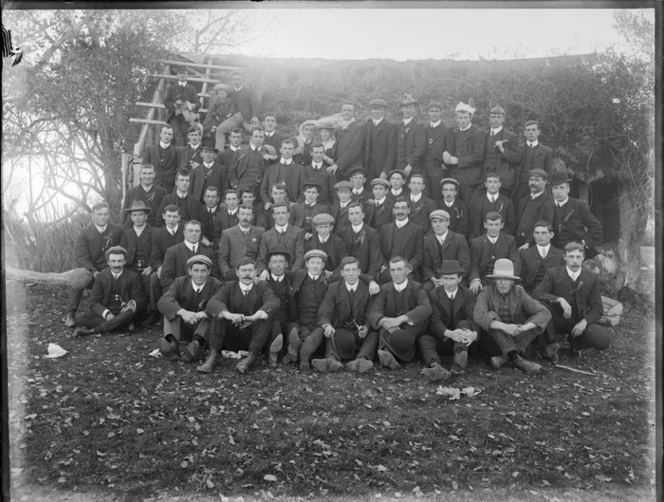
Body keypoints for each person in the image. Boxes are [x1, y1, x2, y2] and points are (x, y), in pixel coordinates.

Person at [199, 257, 279, 374]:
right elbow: (214, 302)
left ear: (256, 272)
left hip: (252, 337)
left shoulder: (262, 286)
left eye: (250, 271)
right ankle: (212, 357)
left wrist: (256, 316)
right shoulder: (229, 286)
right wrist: (228, 315)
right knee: (218, 315)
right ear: (237, 273)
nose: (247, 274)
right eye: (243, 270)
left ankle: (250, 358)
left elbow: (273, 301)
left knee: (265, 318)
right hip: (231, 335)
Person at [533, 242, 611, 360]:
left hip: (577, 322)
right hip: (554, 321)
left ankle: (574, 344)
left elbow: (598, 309)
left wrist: (584, 322)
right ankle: (551, 342)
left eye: (578, 257)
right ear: (564, 257)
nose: (575, 261)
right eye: (571, 257)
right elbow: (537, 294)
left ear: (583, 258)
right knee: (543, 306)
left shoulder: (591, 277)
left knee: (602, 339)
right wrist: (559, 300)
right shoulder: (553, 273)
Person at [473, 259, 551, 374]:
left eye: (507, 279)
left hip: (517, 339)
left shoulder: (519, 292)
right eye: (499, 279)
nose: (503, 283)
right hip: (494, 342)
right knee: (492, 315)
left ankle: (506, 358)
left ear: (512, 281)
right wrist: (503, 327)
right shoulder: (486, 292)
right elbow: (478, 315)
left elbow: (545, 313)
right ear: (494, 280)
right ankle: (516, 359)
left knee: (536, 321)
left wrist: (524, 327)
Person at [312, 256, 378, 374]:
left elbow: (372, 313)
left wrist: (367, 327)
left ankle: (361, 360)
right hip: (340, 332)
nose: (351, 274)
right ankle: (331, 360)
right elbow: (325, 311)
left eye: (354, 270)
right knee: (329, 332)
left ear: (359, 271)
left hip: (360, 334)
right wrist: (327, 325)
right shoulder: (334, 288)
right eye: (347, 270)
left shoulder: (368, 289)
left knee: (373, 335)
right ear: (342, 273)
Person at [63, 201, 123, 327]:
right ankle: (70, 314)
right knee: (78, 279)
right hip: (91, 270)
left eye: (105, 214)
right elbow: (81, 256)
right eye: (99, 214)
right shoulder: (85, 232)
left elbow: (121, 250)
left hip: (111, 269)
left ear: (109, 215)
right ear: (93, 216)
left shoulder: (117, 230)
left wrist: (111, 269)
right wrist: (93, 271)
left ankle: (118, 313)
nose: (102, 217)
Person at [368, 257, 432, 369]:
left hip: (410, 329)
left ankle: (400, 350)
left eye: (399, 269)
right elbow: (374, 311)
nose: (396, 273)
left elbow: (425, 307)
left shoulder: (417, 287)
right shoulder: (384, 289)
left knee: (418, 320)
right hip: (390, 329)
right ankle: (386, 352)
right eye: (392, 270)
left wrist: (399, 320)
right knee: (383, 322)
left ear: (407, 270)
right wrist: (385, 321)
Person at [157, 255, 223, 363]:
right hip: (183, 326)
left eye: (203, 271)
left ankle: (196, 345)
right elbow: (162, 302)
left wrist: (204, 313)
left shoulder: (216, 285)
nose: (199, 275)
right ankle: (172, 344)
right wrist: (182, 312)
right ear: (189, 271)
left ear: (209, 272)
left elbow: (221, 305)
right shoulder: (180, 282)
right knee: (171, 304)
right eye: (196, 270)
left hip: (203, 330)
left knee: (212, 311)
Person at [419, 260, 478, 380]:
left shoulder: (467, 294)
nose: (448, 282)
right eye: (445, 278)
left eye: (452, 278)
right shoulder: (434, 294)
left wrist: (474, 334)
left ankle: (458, 360)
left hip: (462, 340)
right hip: (444, 337)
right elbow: (435, 320)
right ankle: (435, 366)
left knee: (464, 323)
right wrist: (450, 334)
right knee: (424, 339)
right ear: (441, 279)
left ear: (459, 279)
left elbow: (471, 317)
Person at [73, 246, 146, 336]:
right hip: (107, 311)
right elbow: (93, 302)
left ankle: (93, 331)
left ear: (124, 262)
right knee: (80, 318)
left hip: (124, 313)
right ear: (108, 262)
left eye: (119, 261)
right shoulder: (101, 276)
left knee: (130, 315)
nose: (116, 265)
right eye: (113, 261)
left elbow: (140, 300)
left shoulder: (133, 277)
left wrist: (130, 305)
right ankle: (122, 325)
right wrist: (106, 314)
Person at [281, 250, 331, 369]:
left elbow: (353, 275)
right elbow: (280, 272)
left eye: (318, 263)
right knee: (302, 332)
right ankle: (304, 354)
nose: (315, 266)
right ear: (307, 264)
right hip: (302, 321)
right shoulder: (298, 276)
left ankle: (295, 352)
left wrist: (370, 282)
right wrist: (264, 273)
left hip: (318, 322)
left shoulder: (328, 279)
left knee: (317, 333)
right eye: (312, 262)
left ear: (323, 265)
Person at [538, 171, 603, 258]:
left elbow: (596, 226)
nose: (558, 191)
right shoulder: (547, 206)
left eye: (562, 188)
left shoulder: (578, 205)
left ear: (568, 189)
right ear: (552, 190)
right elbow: (540, 227)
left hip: (576, 251)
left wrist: (584, 242)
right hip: (554, 251)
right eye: (555, 188)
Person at [147, 205, 184, 324]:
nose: (171, 220)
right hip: (166, 267)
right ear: (163, 216)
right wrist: (159, 267)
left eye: (174, 217)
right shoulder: (157, 233)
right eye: (169, 216)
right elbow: (154, 257)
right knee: (153, 278)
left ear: (179, 217)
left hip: (183, 266)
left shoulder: (185, 230)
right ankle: (157, 312)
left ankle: (176, 311)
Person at [443, 102, 486, 203]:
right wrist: (446, 153)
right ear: (456, 119)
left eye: (465, 117)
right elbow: (451, 150)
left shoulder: (478, 133)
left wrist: (458, 161)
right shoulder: (456, 132)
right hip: (455, 177)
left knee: (468, 206)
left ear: (470, 118)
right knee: (455, 205)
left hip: (470, 179)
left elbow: (478, 156)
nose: (462, 120)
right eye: (460, 117)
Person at [468, 212, 520, 295]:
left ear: (502, 225)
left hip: (503, 279)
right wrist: (475, 280)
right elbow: (474, 264)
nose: (493, 228)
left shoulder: (510, 241)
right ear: (485, 225)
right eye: (490, 224)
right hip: (483, 280)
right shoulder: (476, 242)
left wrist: (510, 280)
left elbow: (516, 262)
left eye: (496, 224)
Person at [160, 220, 218, 291]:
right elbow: (165, 278)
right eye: (190, 231)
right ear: (184, 233)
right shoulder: (172, 251)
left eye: (197, 231)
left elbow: (214, 276)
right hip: (180, 294)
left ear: (200, 233)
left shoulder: (208, 251)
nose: (194, 233)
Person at [263, 247, 297, 367]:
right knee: (276, 328)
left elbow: (307, 274)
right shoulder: (263, 281)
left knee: (294, 328)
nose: (278, 265)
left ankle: (291, 352)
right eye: (274, 262)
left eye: (281, 262)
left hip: (286, 319)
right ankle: (273, 354)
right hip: (271, 319)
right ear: (269, 265)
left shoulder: (292, 279)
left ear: (286, 264)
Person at [421, 210, 470, 292]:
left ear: (448, 223)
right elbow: (426, 266)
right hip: (435, 279)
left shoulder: (459, 239)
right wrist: (434, 279)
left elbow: (465, 265)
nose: (437, 225)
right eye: (434, 222)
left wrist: (449, 279)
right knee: (423, 291)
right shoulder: (428, 241)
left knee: (461, 292)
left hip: (455, 278)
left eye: (441, 221)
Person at [378, 197, 424, 284]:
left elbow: (419, 255)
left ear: (409, 210)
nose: (400, 211)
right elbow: (380, 251)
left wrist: (408, 268)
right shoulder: (385, 229)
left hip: (407, 271)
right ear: (393, 211)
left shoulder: (417, 230)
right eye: (397, 208)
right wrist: (384, 265)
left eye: (403, 208)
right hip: (389, 269)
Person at [214, 72, 262, 151]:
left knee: (256, 133)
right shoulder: (231, 93)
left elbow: (255, 104)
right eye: (234, 80)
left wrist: (255, 116)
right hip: (236, 118)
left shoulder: (249, 91)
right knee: (220, 129)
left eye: (238, 79)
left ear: (242, 80)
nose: (236, 82)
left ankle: (252, 155)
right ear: (232, 81)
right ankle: (219, 154)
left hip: (248, 118)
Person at [482, 106, 523, 198]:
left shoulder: (511, 136)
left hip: (502, 181)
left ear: (503, 119)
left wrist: (503, 149)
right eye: (493, 117)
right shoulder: (484, 136)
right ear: (489, 119)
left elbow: (518, 157)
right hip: (484, 180)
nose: (495, 120)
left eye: (498, 117)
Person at [256, 203, 306, 276]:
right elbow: (262, 259)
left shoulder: (298, 233)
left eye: (283, 213)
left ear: (288, 214)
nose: (281, 216)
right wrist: (263, 271)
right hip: (272, 275)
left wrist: (292, 273)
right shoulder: (266, 236)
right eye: (278, 213)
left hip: (293, 273)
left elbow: (300, 257)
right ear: (273, 216)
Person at [337, 202, 383, 281]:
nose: (354, 216)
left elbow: (375, 260)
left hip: (366, 275)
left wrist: (368, 279)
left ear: (363, 215)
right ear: (348, 217)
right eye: (351, 214)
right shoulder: (342, 233)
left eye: (357, 213)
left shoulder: (372, 233)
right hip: (347, 277)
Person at [218, 204, 265, 281]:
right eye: (242, 214)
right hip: (234, 275)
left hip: (255, 274)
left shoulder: (260, 232)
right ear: (238, 215)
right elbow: (222, 258)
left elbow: (262, 255)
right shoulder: (227, 234)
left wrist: (259, 272)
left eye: (248, 214)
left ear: (252, 216)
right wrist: (227, 274)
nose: (245, 217)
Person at [120, 201, 153, 307]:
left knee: (150, 281)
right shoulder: (126, 233)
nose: (138, 217)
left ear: (146, 216)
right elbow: (121, 252)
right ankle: (129, 309)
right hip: (131, 268)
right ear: (131, 217)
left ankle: (149, 310)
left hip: (147, 268)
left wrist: (151, 267)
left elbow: (160, 254)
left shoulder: (155, 232)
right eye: (134, 215)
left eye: (141, 214)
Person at [512, 120, 553, 203]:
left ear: (538, 132)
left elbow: (548, 174)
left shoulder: (547, 151)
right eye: (528, 130)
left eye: (533, 130)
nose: (531, 132)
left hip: (537, 188)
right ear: (524, 133)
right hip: (519, 187)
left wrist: (547, 191)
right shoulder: (518, 149)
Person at [467, 172, 516, 240]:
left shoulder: (508, 202)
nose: (492, 185)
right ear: (486, 184)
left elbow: (511, 225)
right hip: (480, 243)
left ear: (500, 184)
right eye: (490, 182)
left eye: (495, 182)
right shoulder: (476, 203)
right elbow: (471, 224)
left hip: (501, 242)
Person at [519, 221, 564, 294]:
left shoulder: (560, 254)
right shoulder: (525, 254)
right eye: (537, 233)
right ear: (533, 235)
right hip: (530, 295)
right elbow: (520, 278)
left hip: (552, 295)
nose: (540, 236)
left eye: (544, 233)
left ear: (551, 235)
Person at [229, 127, 274, 197]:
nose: (258, 139)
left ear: (264, 138)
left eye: (261, 137)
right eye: (256, 136)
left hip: (261, 189)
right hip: (243, 188)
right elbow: (232, 171)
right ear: (251, 137)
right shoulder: (240, 152)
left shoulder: (268, 151)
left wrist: (273, 155)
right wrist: (236, 185)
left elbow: (278, 161)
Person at [260, 138, 305, 207]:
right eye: (285, 148)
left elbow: (303, 190)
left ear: (294, 151)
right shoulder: (270, 168)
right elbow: (263, 190)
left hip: (292, 207)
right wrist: (267, 202)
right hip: (273, 206)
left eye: (290, 149)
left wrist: (297, 204)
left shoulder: (300, 169)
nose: (287, 151)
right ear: (280, 150)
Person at [327, 102, 366, 179]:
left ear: (353, 113)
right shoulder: (340, 128)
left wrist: (338, 164)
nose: (346, 113)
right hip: (340, 169)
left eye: (349, 110)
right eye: (344, 110)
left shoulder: (359, 128)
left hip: (352, 170)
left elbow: (354, 150)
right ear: (341, 112)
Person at [515, 168, 552, 248]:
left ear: (545, 182)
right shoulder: (523, 200)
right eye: (531, 180)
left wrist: (528, 243)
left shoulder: (549, 201)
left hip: (534, 244)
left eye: (536, 180)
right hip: (518, 242)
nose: (533, 183)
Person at [122, 164, 167, 228]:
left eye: (150, 173)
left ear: (154, 175)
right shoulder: (131, 192)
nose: (147, 176)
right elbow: (125, 214)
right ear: (140, 175)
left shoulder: (162, 192)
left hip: (156, 230)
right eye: (145, 173)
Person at [304, 213, 348, 277]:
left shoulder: (338, 242)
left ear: (331, 227)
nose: (323, 230)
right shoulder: (310, 242)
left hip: (334, 275)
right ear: (316, 228)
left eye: (326, 227)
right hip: (315, 274)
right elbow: (306, 261)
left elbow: (343, 260)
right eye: (320, 227)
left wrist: (333, 273)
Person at [364, 98, 398, 181]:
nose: (376, 112)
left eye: (379, 109)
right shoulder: (366, 125)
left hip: (382, 169)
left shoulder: (390, 127)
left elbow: (392, 151)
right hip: (367, 168)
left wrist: (386, 171)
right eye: (374, 109)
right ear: (371, 110)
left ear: (384, 111)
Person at [423, 101, 451, 200]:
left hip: (438, 168)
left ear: (441, 113)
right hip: (424, 167)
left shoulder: (447, 130)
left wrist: (444, 165)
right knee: (425, 195)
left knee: (436, 196)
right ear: (428, 113)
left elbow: (450, 148)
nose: (434, 113)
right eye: (431, 111)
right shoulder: (424, 129)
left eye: (436, 111)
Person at [164, 72, 201, 147]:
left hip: (187, 117)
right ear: (177, 75)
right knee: (177, 135)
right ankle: (178, 155)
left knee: (185, 134)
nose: (182, 75)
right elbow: (166, 102)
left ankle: (183, 155)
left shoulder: (191, 88)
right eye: (180, 74)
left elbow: (198, 103)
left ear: (187, 75)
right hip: (174, 116)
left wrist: (193, 105)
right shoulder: (172, 88)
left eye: (184, 74)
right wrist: (174, 105)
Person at [396, 94, 426, 178]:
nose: (408, 110)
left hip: (412, 168)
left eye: (410, 107)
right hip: (398, 167)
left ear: (414, 109)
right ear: (402, 109)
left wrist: (410, 165)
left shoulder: (418, 126)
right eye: (405, 107)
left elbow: (420, 149)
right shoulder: (398, 126)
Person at [144, 125, 179, 194]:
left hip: (169, 188)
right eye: (165, 133)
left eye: (169, 134)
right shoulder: (150, 150)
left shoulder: (176, 152)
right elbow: (143, 168)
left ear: (172, 137)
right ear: (160, 134)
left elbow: (177, 171)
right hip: (153, 186)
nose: (167, 136)